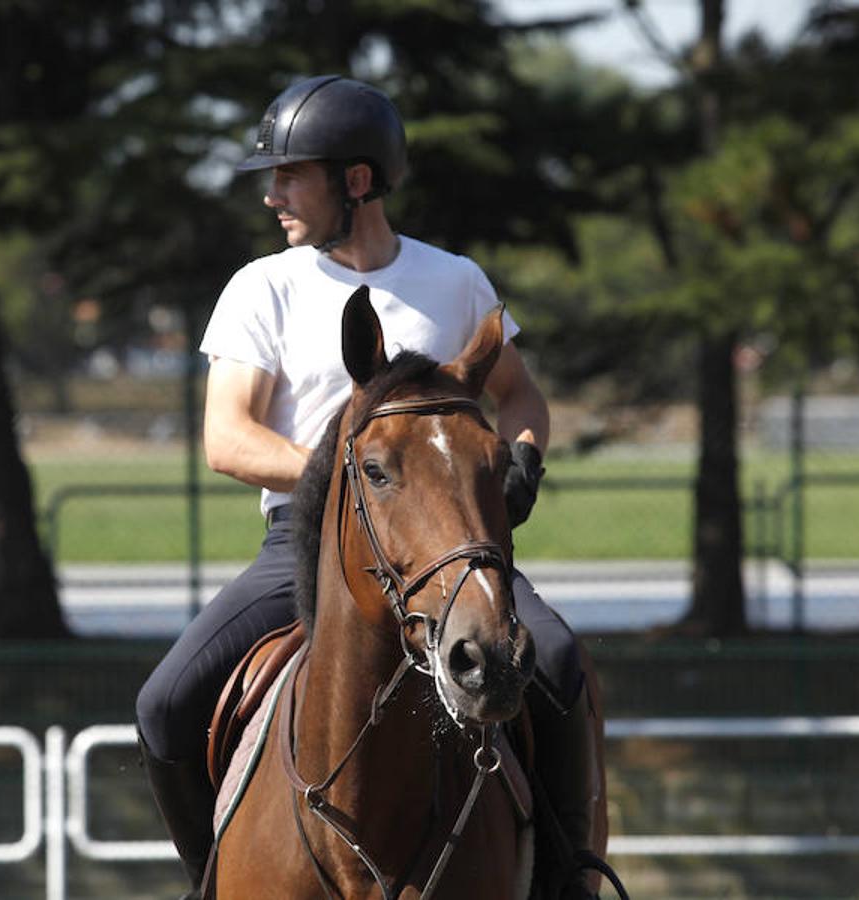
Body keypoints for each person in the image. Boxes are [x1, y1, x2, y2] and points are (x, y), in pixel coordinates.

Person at [135, 74, 607, 900]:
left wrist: (524, 455)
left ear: (356, 181)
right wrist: (350, 477)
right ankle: (207, 878)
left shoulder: (456, 282)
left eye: (292, 175)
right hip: (307, 544)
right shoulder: (263, 287)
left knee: (559, 662)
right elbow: (228, 436)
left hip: (443, 540)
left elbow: (519, 392)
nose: (275, 195)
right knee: (167, 703)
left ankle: (567, 881)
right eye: (273, 179)